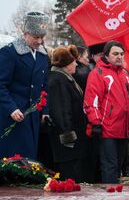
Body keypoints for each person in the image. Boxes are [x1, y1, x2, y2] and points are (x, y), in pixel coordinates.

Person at [0, 12, 49, 160]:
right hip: (13, 115)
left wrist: (45, 110)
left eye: (42, 37)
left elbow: (44, 86)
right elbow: (1, 84)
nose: (39, 41)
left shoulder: (42, 55)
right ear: (25, 33)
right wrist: (11, 108)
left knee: (30, 161)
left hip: (33, 116)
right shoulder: (9, 52)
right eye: (36, 37)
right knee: (15, 161)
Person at [84, 41, 129, 183]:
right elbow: (91, 101)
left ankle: (115, 197)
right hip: (107, 128)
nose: (119, 57)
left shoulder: (124, 74)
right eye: (115, 54)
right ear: (106, 55)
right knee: (109, 166)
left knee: (117, 166)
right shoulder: (98, 73)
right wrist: (96, 122)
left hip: (123, 129)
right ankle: (108, 197)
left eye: (121, 54)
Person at [47, 45, 92, 182]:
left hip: (73, 138)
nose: (76, 65)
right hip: (67, 141)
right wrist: (68, 136)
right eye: (73, 62)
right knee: (70, 175)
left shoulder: (65, 79)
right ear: (66, 65)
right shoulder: (59, 80)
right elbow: (61, 111)